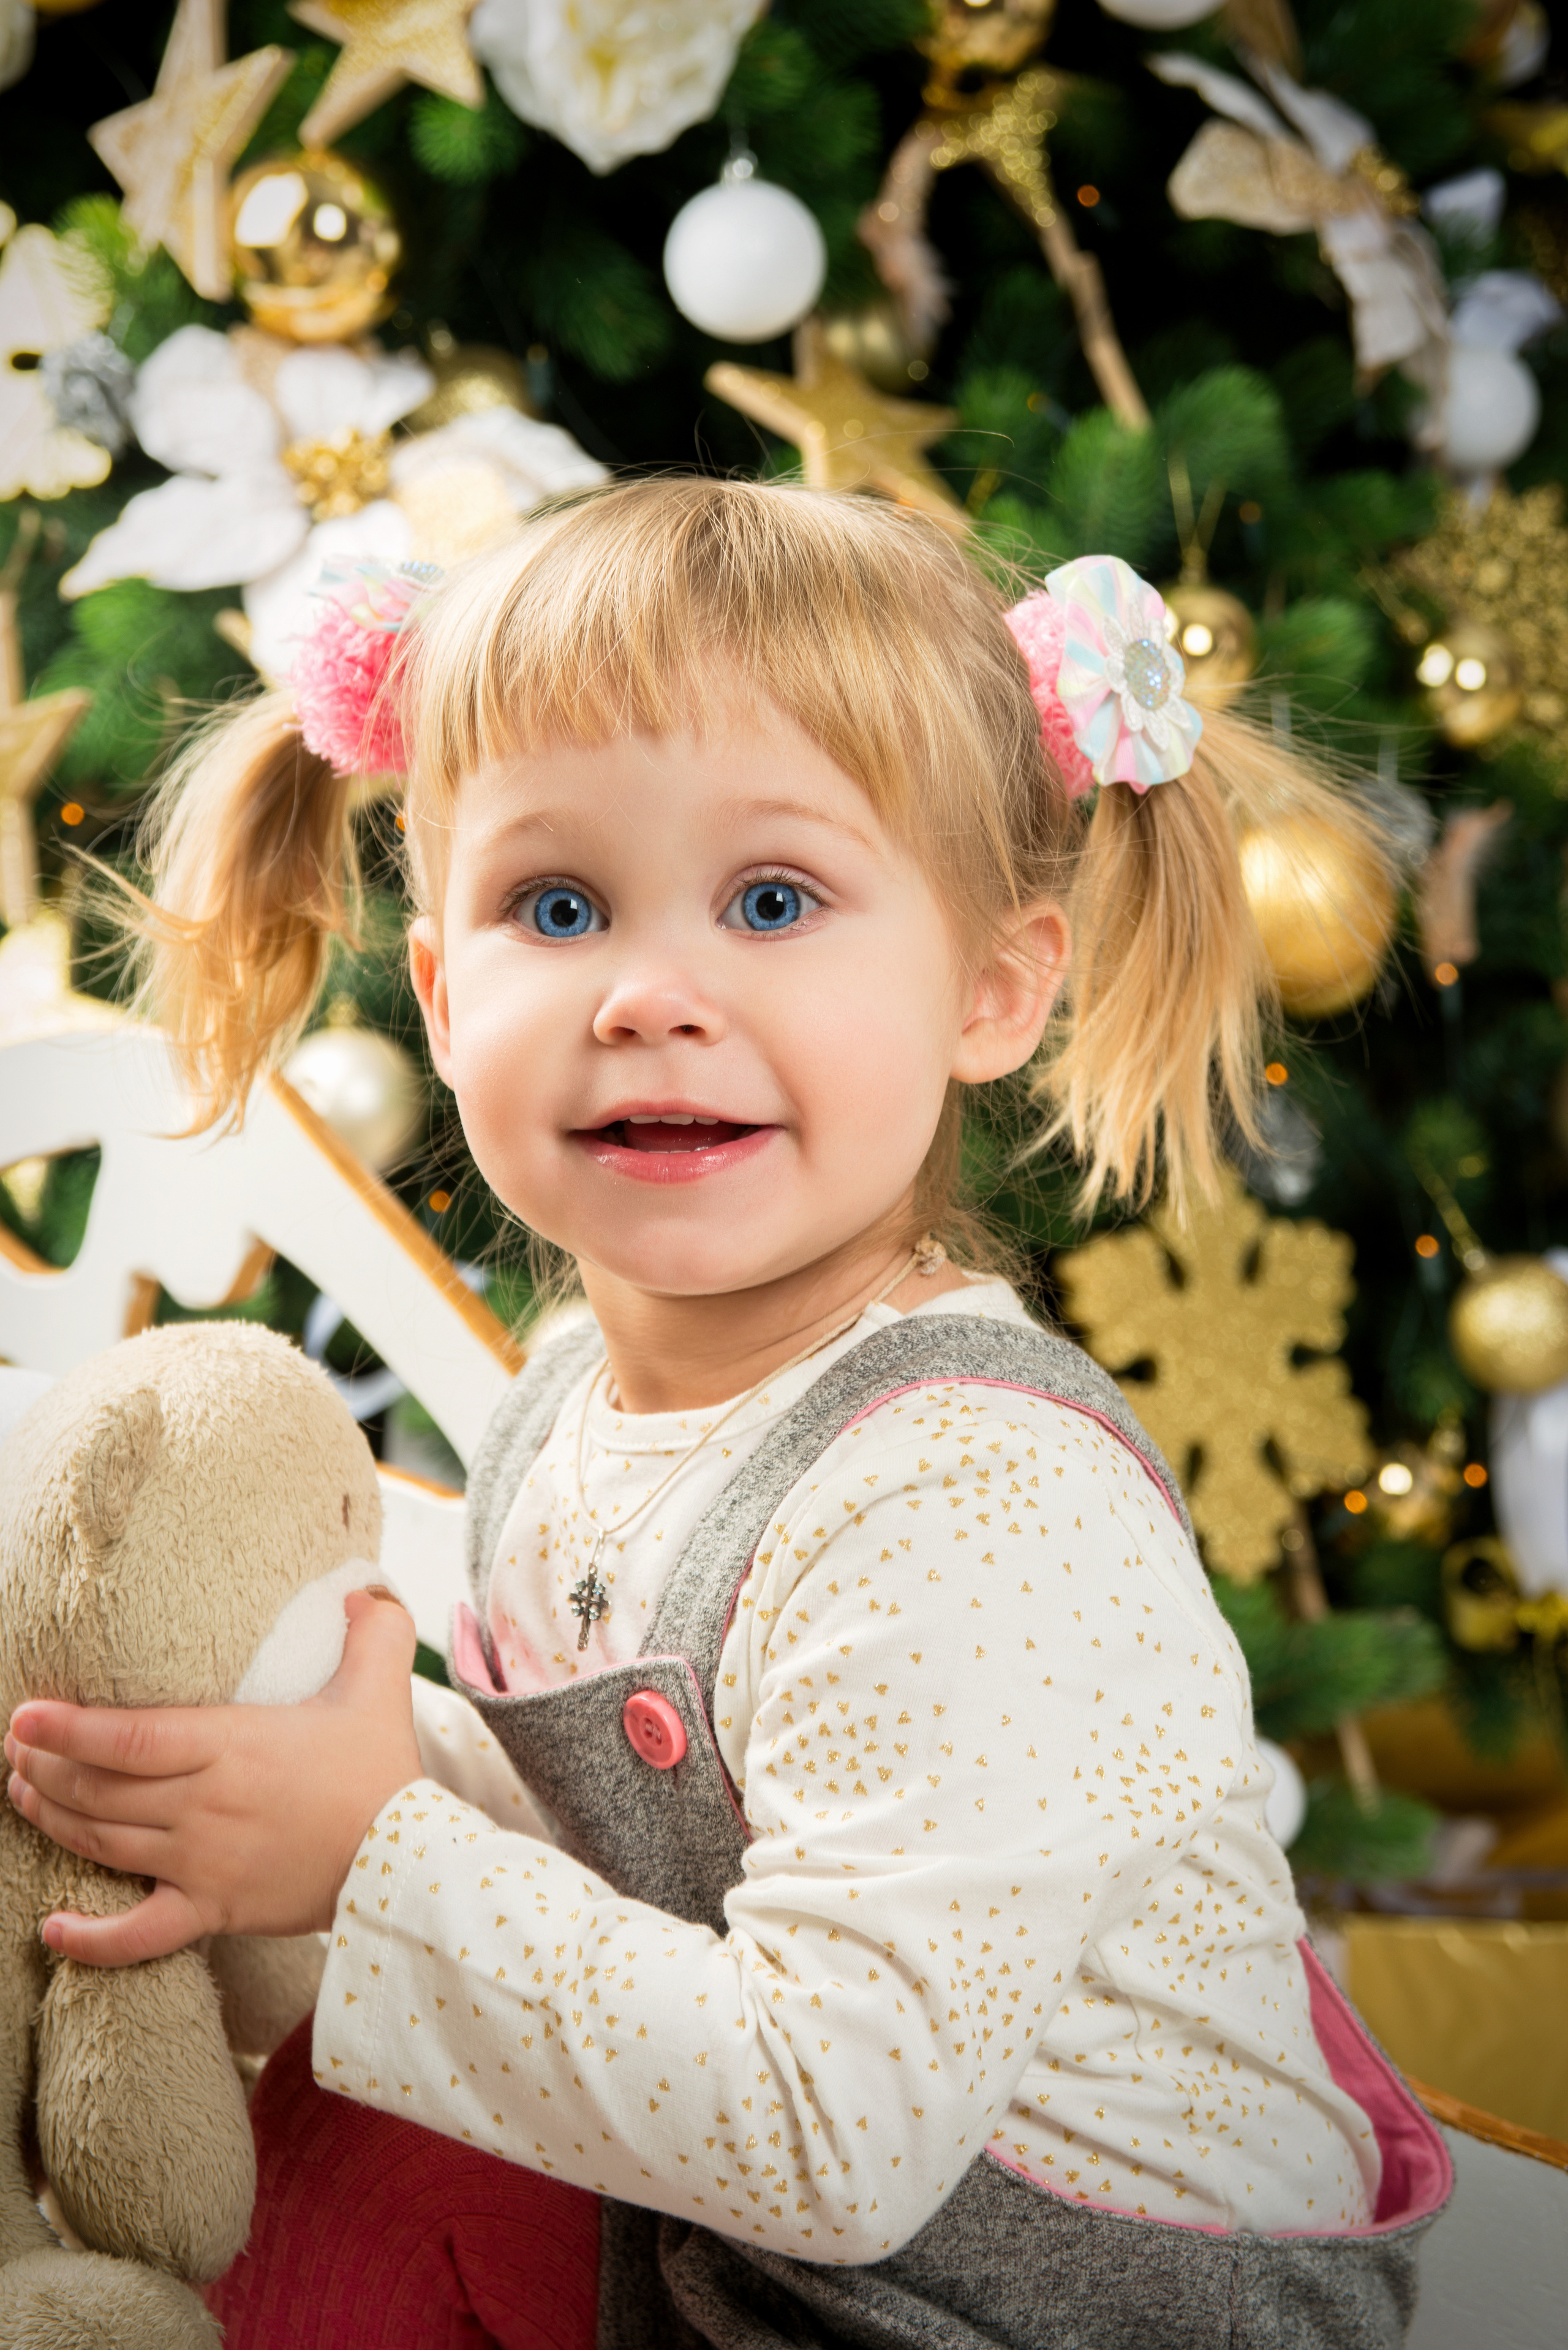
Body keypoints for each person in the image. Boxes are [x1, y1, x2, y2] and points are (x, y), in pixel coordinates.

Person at [4, 481, 1449, 2348]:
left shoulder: (969, 1495)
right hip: (765, 2227)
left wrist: (370, 1846)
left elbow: (836, 2125)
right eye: (558, 904)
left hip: (1061, 2299)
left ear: (992, 990)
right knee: (328, 2160)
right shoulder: (564, 1407)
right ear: (441, 996)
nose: (651, 994)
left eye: (774, 900)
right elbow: (621, 1880)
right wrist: (312, 1771)